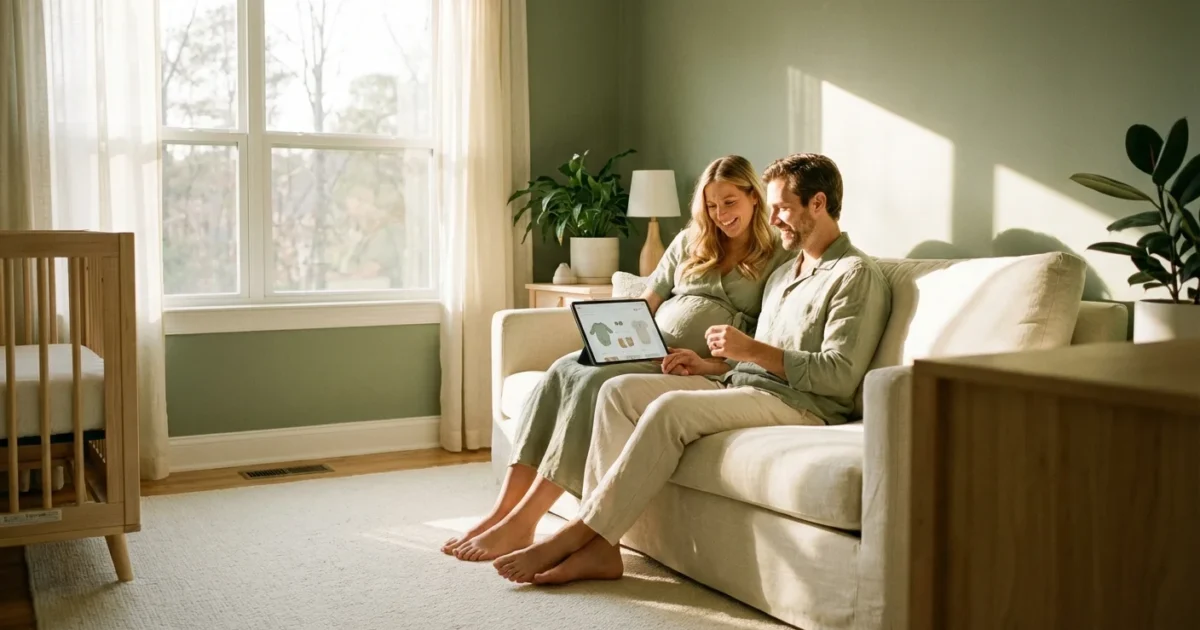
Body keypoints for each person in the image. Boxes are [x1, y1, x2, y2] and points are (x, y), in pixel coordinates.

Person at [492, 153, 893, 585]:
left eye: (781, 207)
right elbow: (748, 351)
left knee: (667, 411)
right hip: (738, 381)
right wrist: (710, 362)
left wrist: (751, 352)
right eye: (773, 207)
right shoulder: (787, 272)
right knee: (616, 392)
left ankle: (579, 532)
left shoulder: (855, 275)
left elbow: (840, 377)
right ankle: (603, 549)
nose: (776, 220)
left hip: (802, 403)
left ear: (818, 204)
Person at [442, 155, 794, 562]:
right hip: (647, 346)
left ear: (754, 197)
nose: (720, 215)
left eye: (730, 203)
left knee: (593, 384)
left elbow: (766, 338)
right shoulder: (692, 241)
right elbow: (651, 296)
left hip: (691, 366)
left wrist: (712, 365)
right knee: (562, 369)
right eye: (712, 206)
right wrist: (622, 332)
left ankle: (525, 523)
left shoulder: (778, 256)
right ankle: (502, 513)